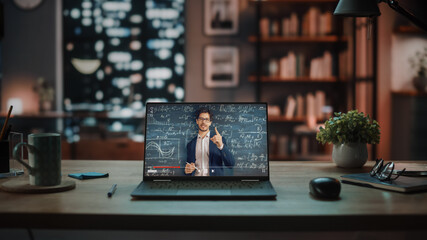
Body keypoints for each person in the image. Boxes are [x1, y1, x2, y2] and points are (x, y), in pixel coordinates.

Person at [185, 107, 235, 176]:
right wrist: (187, 170)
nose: (203, 122)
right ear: (197, 121)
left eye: (207, 120)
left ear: (210, 123)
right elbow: (189, 168)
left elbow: (230, 164)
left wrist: (221, 146)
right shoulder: (190, 145)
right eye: (201, 119)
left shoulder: (219, 140)